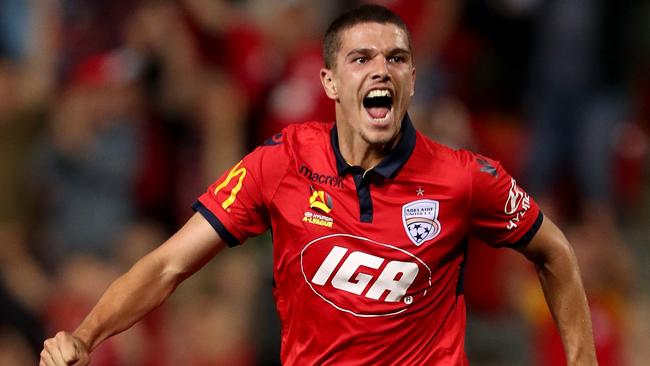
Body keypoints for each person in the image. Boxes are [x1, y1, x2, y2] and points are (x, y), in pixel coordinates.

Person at [40, 5, 597, 365]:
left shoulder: (466, 178)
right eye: (361, 58)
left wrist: (582, 361)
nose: (381, 69)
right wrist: (84, 337)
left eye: (396, 58)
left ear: (411, 78)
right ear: (330, 81)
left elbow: (555, 253)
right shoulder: (279, 163)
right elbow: (167, 264)